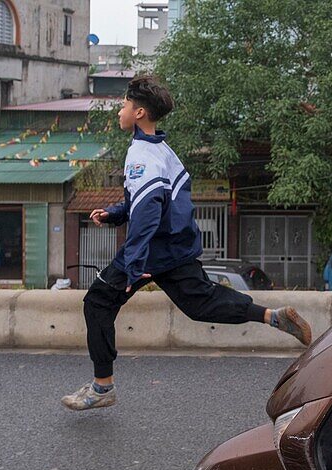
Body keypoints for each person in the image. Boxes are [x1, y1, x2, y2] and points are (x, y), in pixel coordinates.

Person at [62, 75, 312, 411]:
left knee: (97, 302)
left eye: (123, 105)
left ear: (138, 113)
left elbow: (149, 211)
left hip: (150, 250)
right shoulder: (162, 151)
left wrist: (134, 265)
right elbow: (148, 200)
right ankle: (271, 316)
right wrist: (115, 214)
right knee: (201, 303)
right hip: (176, 247)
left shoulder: (140, 155)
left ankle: (102, 387)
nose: (119, 111)